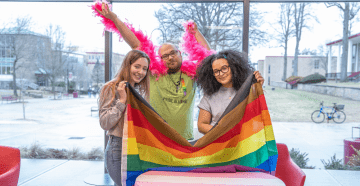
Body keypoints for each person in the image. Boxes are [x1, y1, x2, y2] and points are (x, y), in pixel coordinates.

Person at [95, 2, 210, 140]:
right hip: (156, 140)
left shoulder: (191, 74)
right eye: (165, 56)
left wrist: (196, 33)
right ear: (160, 59)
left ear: (180, 53)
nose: (170, 57)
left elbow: (207, 57)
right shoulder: (154, 72)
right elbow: (136, 44)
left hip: (185, 139)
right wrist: (115, 19)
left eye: (173, 53)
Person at [98, 49, 150, 186]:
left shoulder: (138, 92)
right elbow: (104, 123)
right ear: (127, 65)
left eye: (145, 69)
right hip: (117, 149)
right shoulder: (110, 88)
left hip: (135, 150)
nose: (141, 72)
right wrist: (121, 101)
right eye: (137, 66)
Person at [196, 50, 264, 134]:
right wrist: (226, 134)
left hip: (243, 142)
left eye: (224, 68)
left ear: (233, 67)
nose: (220, 74)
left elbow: (256, 118)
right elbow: (201, 125)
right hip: (218, 143)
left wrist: (257, 89)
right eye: (216, 71)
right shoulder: (209, 95)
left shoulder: (248, 90)